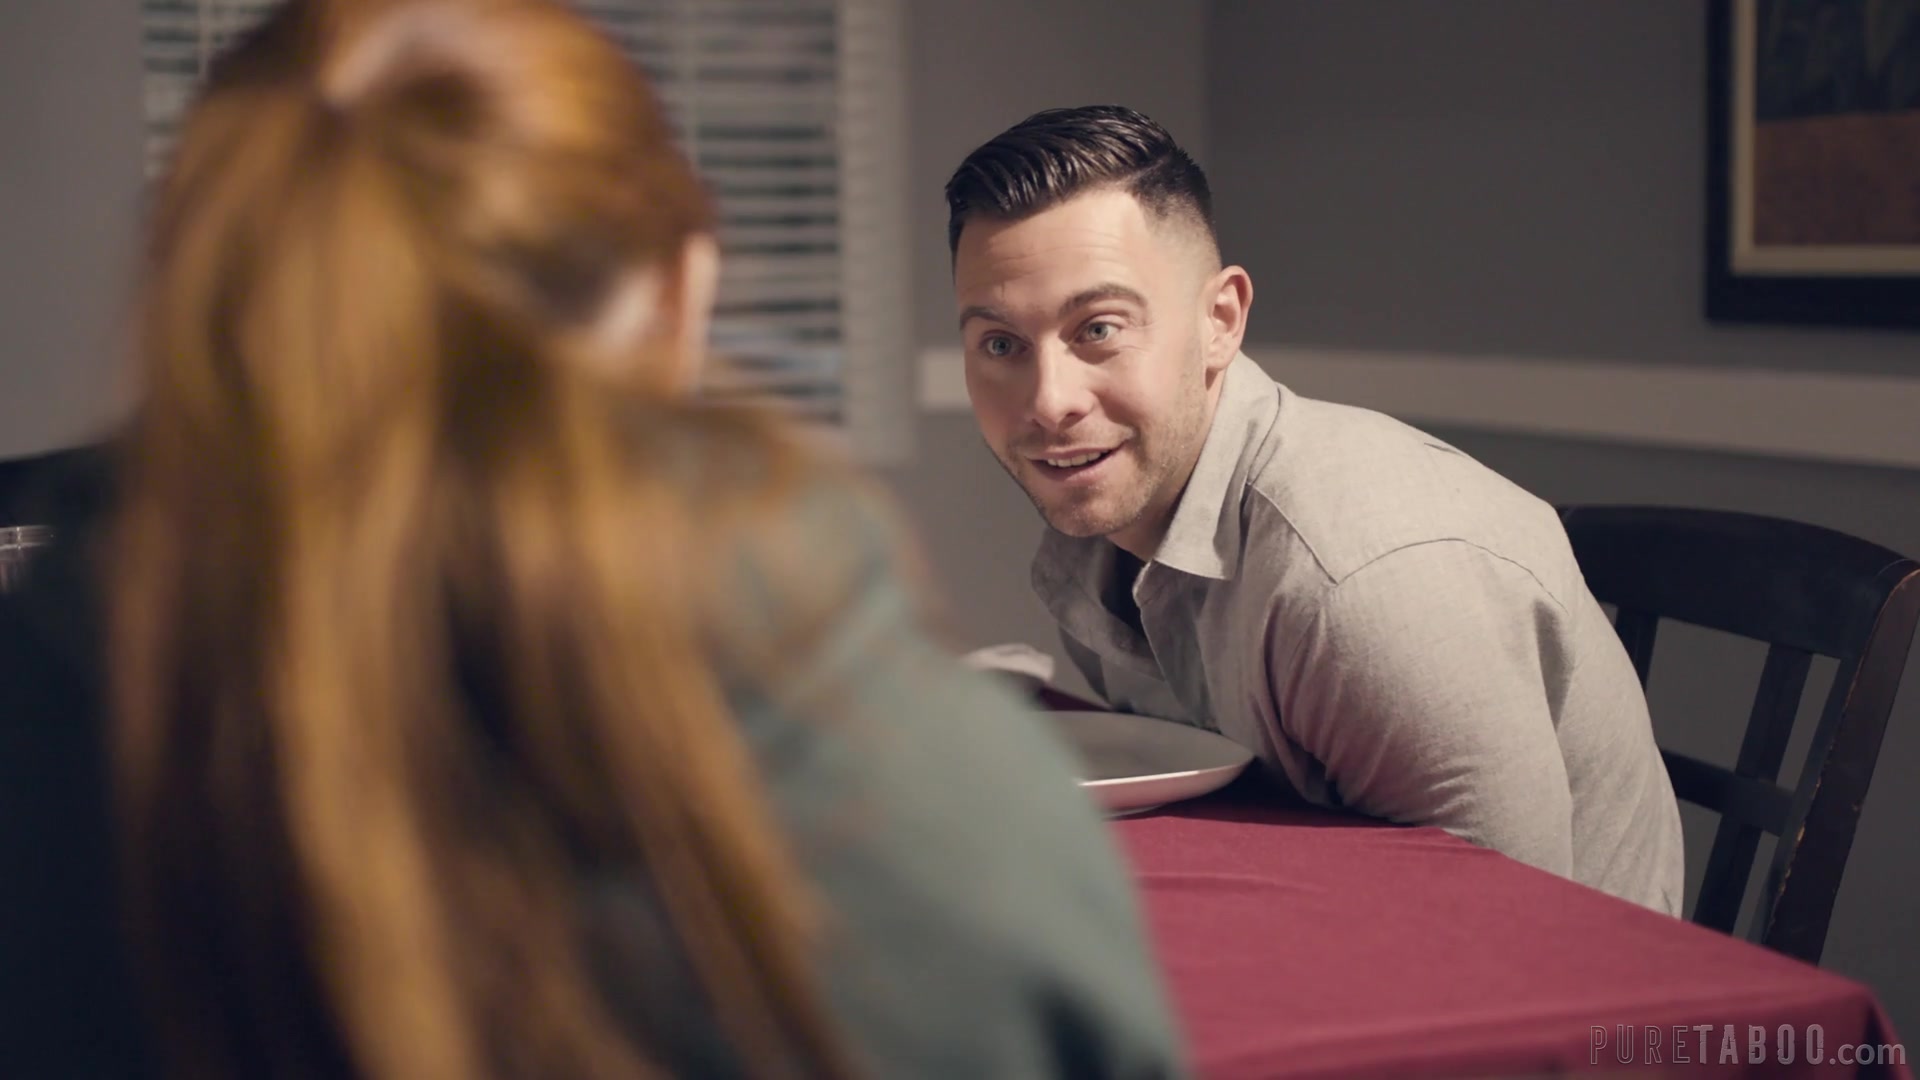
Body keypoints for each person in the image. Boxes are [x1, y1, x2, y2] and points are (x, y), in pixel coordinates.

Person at [0, 8, 1187, 1078]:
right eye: (1001, 342)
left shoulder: (57, 762)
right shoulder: (953, 814)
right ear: (683, 291)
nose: (1051, 397)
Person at [943, 104, 1685, 916]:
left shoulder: (1365, 585)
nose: (1048, 403)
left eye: (1099, 329)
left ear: (1220, 322)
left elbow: (1507, 937)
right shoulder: (1102, 527)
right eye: (1001, 345)